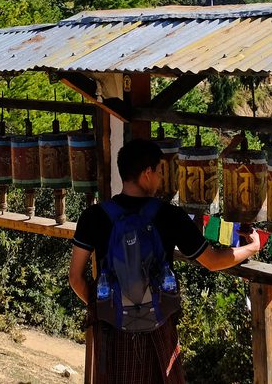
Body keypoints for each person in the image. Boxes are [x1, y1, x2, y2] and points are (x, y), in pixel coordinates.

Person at [69, 138, 261, 384]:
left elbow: (75, 278)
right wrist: (251, 247)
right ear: (147, 173)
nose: (161, 179)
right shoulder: (170, 216)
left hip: (111, 332)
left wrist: (109, 308)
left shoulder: (93, 216)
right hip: (158, 328)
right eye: (160, 171)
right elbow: (212, 261)